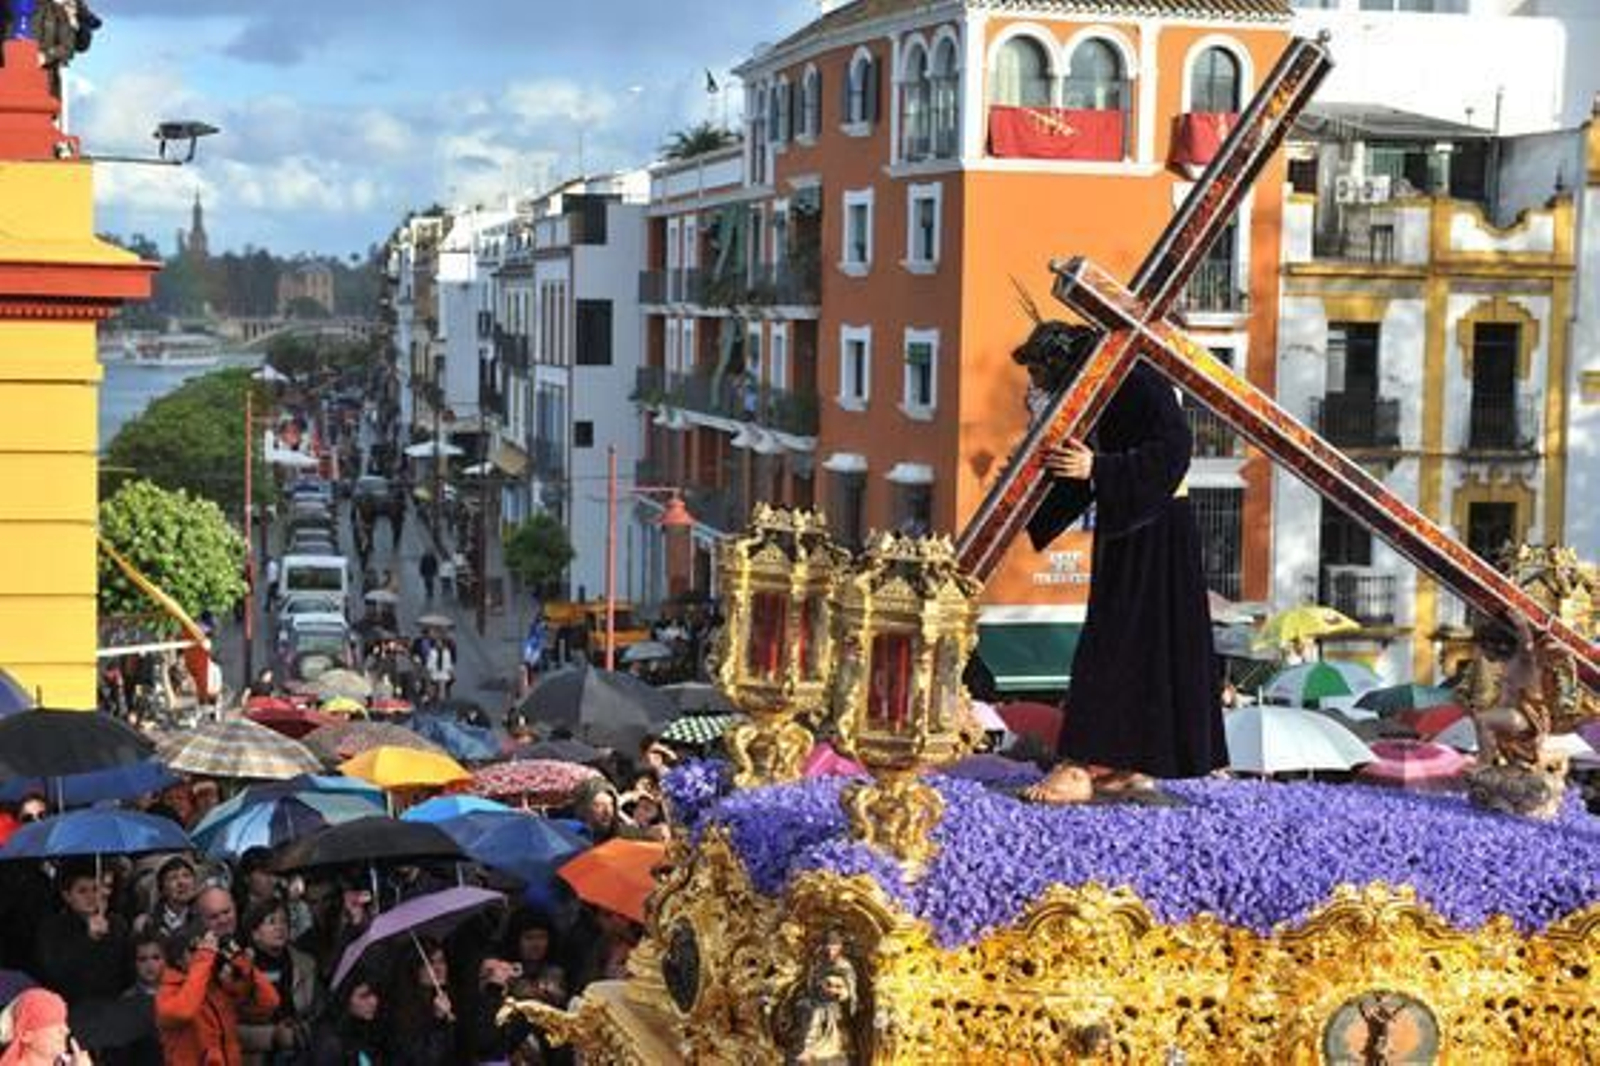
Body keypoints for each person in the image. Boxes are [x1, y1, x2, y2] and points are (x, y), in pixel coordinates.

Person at [1021, 329, 1225, 796]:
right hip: (1132, 525)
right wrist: (1027, 505)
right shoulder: (1103, 387)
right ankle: (1131, 760)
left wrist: (1099, 469)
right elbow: (1080, 468)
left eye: (1038, 374)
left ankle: (1078, 767)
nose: (1036, 386)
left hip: (1155, 529)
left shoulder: (1136, 380)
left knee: (1109, 644)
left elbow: (1174, 449)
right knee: (1139, 648)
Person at [154, 923, 280, 1066]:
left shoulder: (218, 987)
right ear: (177, 960)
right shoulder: (167, 991)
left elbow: (269, 1002)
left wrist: (240, 961)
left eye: (208, 948)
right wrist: (204, 958)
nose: (204, 953)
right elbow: (183, 1012)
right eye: (194, 949)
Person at [237, 900, 321, 1066]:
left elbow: (318, 1011)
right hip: (258, 1051)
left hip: (302, 1043)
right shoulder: (239, 968)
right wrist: (274, 1036)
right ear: (255, 934)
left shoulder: (306, 963)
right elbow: (233, 1027)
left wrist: (300, 1031)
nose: (280, 927)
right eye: (271, 922)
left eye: (284, 921)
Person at [35, 864, 132, 1006]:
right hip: (71, 1005)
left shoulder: (117, 923)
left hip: (112, 1005)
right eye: (82, 891)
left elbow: (126, 968)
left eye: (95, 889)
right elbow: (55, 972)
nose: (91, 897)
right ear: (67, 896)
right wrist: (89, 940)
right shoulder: (52, 928)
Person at [384, 938, 456, 1066]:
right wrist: (438, 1020)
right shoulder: (399, 1010)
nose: (438, 968)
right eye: (429, 964)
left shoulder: (446, 997)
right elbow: (424, 1059)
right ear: (414, 969)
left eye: (442, 961)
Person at [0, 988, 91, 1066]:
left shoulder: (68, 1061)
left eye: (63, 1021)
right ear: (25, 1035)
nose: (66, 1030)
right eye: (54, 1023)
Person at [309, 972, 384, 1065]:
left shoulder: (371, 1030)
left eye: (376, 994)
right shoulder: (330, 1040)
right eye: (364, 996)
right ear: (346, 997)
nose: (374, 1001)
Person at [134, 855, 198, 939]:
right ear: (162, 888)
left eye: (186, 875)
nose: (182, 882)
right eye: (173, 878)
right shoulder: (147, 923)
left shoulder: (206, 917)